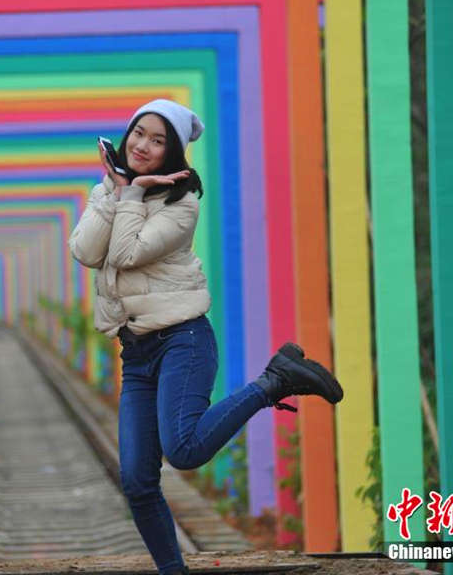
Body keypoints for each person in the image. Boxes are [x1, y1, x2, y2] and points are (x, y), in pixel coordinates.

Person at [68, 99, 344, 575]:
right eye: (139, 133)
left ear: (173, 153)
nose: (143, 146)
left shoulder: (182, 205)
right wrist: (118, 192)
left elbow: (128, 253)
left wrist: (129, 195)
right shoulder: (110, 190)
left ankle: (273, 382)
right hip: (136, 353)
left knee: (185, 449)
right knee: (136, 479)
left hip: (183, 342)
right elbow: (85, 250)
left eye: (158, 141)